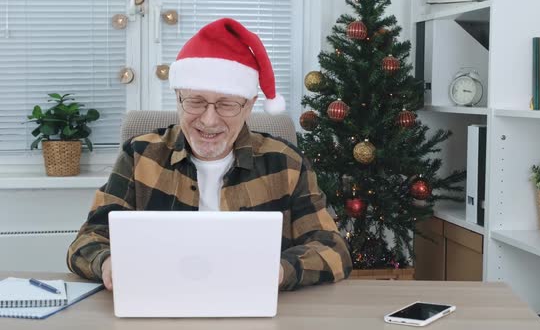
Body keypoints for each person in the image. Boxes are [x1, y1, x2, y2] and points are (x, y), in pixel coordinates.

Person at [67, 18, 352, 291]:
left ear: (249, 106)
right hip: (159, 304)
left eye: (226, 104)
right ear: (178, 98)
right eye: (196, 102)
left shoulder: (286, 163)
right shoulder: (140, 155)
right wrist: (107, 263)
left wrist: (278, 271)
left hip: (256, 308)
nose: (209, 120)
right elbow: (87, 241)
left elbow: (332, 249)